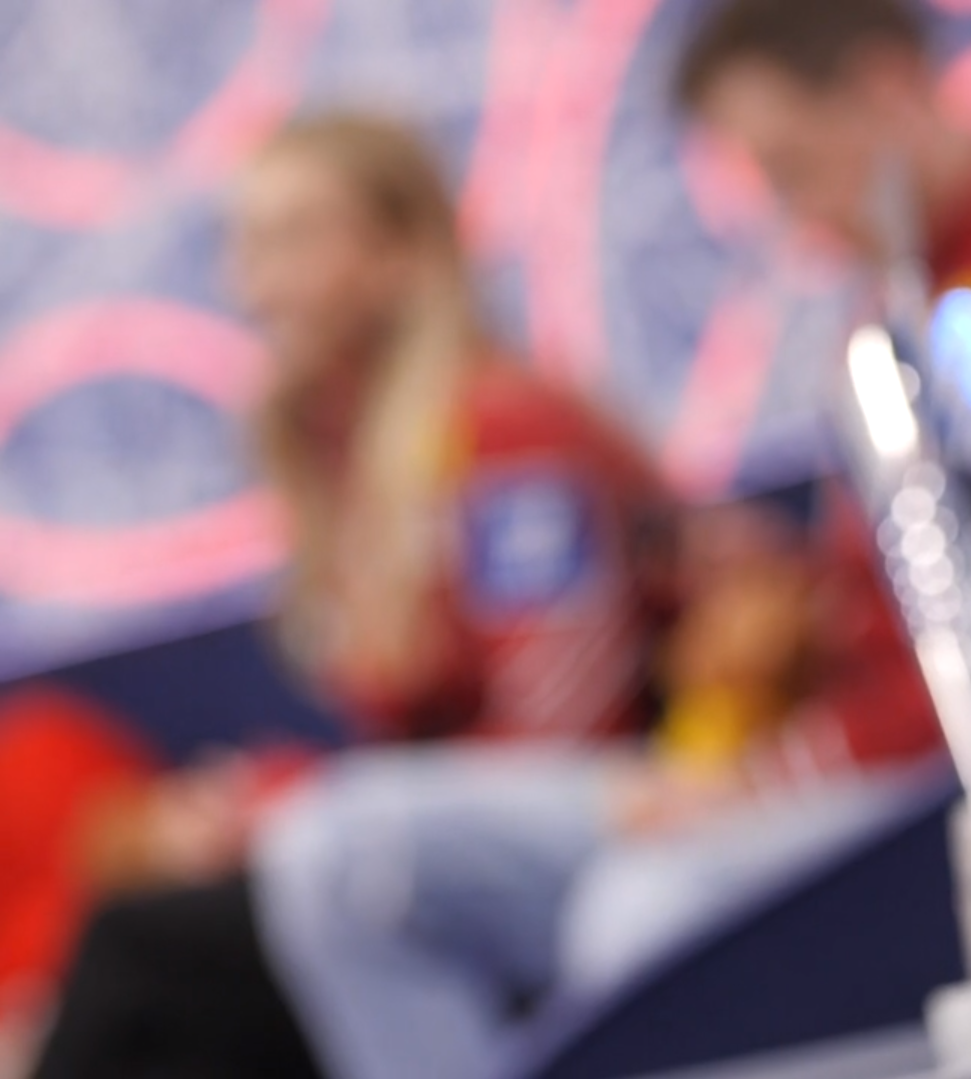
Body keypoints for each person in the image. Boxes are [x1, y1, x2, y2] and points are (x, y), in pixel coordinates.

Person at [169, 1, 971, 1077]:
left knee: (640, 915)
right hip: (834, 759)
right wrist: (784, 596)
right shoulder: (897, 299)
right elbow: (925, 608)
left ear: (886, 89)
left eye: (791, 166)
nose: (793, 217)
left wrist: (771, 769)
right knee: (340, 856)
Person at [24, 113, 680, 1078]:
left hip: (623, 820)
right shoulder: (361, 458)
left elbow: (566, 734)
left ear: (401, 251)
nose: (253, 287)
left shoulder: (505, 433)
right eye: (244, 247)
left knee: (147, 953)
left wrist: (285, 811)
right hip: (448, 840)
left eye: (292, 240)